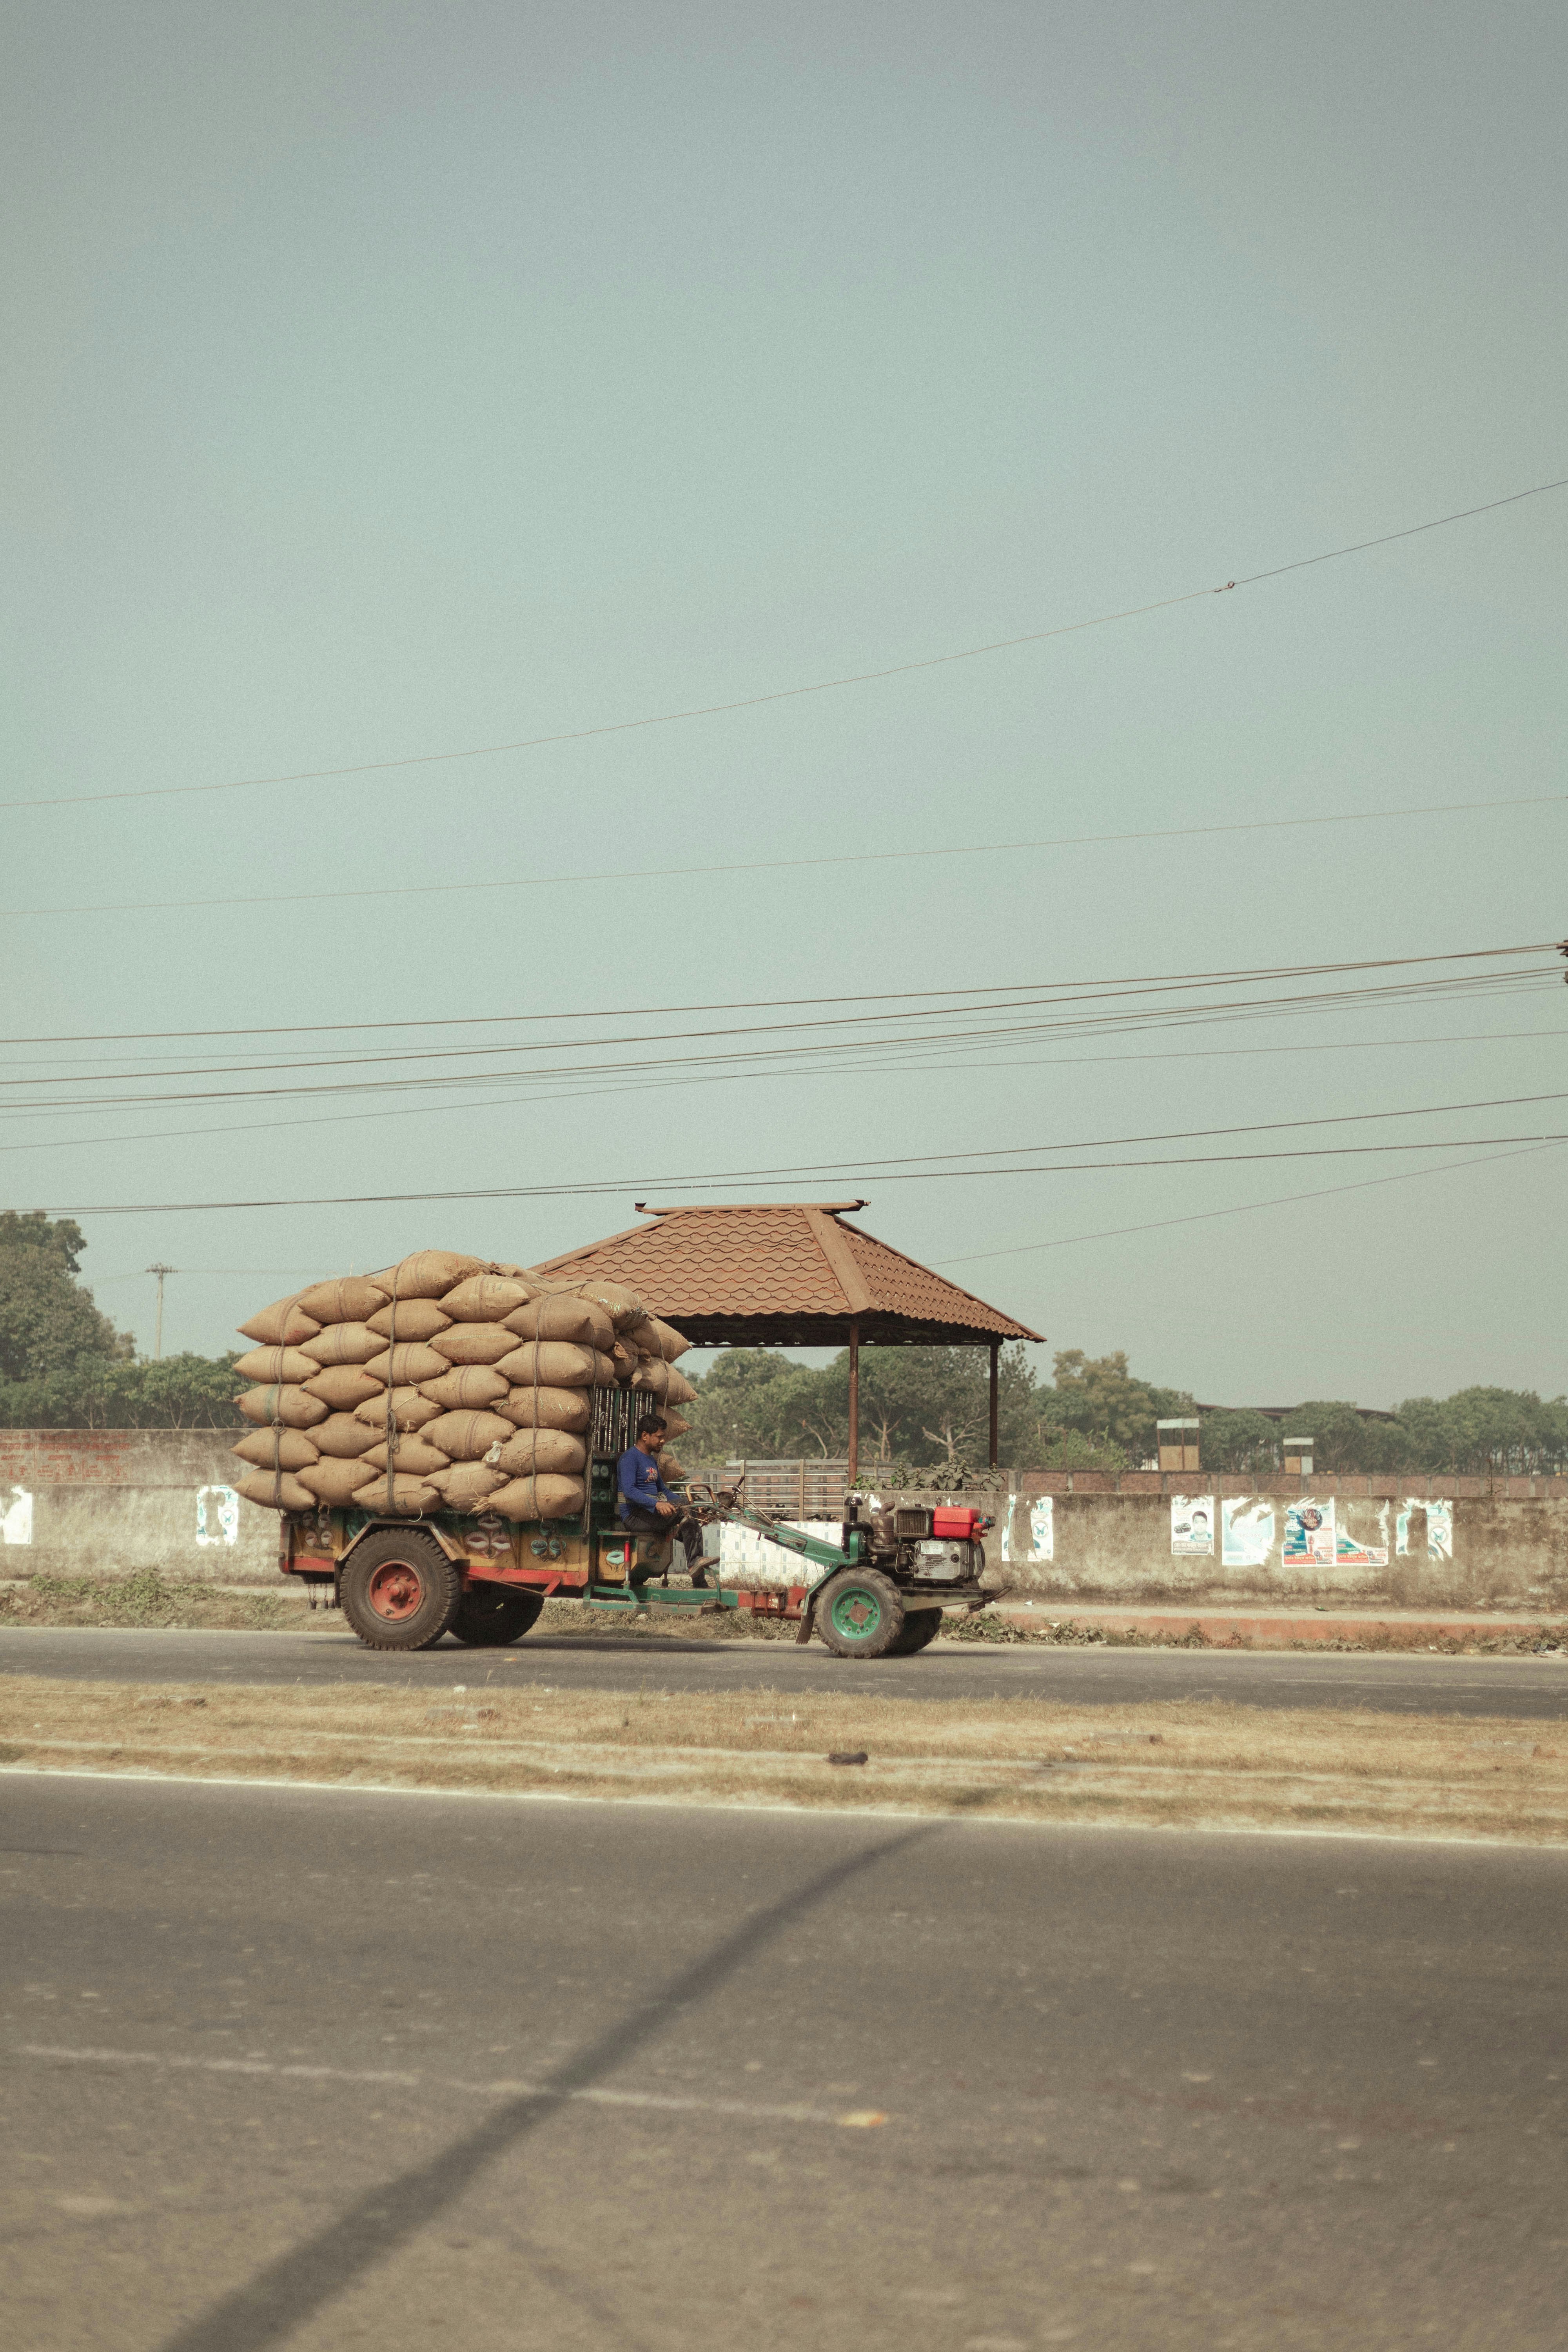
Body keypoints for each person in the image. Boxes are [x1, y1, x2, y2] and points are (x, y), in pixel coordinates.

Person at [616, 1414, 710, 1587]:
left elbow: (663, 1491)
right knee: (687, 1514)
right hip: (635, 1517)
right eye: (659, 1437)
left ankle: (698, 1576)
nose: (663, 1441)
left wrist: (689, 1504)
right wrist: (657, 1505)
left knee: (691, 1515)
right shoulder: (630, 1458)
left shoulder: (651, 1460)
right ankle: (696, 1568)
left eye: (663, 1437)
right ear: (645, 1436)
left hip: (651, 1515)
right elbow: (629, 1491)